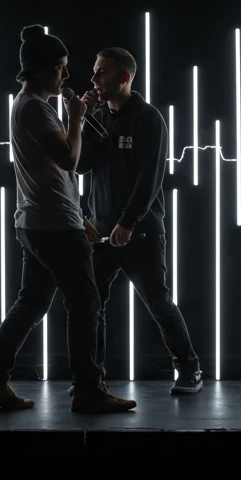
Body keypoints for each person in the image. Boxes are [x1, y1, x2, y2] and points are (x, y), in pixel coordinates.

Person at [0, 25, 136, 413]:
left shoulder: (32, 106)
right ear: (44, 70)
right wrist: (76, 117)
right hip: (53, 226)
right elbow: (69, 160)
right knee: (86, 305)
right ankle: (87, 389)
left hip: (42, 220)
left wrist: (78, 213)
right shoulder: (33, 107)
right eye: (61, 68)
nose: (67, 75)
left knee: (30, 304)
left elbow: (56, 172)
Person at [74, 47, 203, 395]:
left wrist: (129, 222)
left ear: (124, 77)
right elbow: (82, 165)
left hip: (140, 232)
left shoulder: (147, 118)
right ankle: (92, 377)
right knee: (90, 306)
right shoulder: (100, 116)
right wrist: (84, 119)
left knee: (158, 302)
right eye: (95, 70)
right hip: (100, 232)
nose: (94, 78)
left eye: (101, 72)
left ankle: (190, 369)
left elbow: (151, 176)